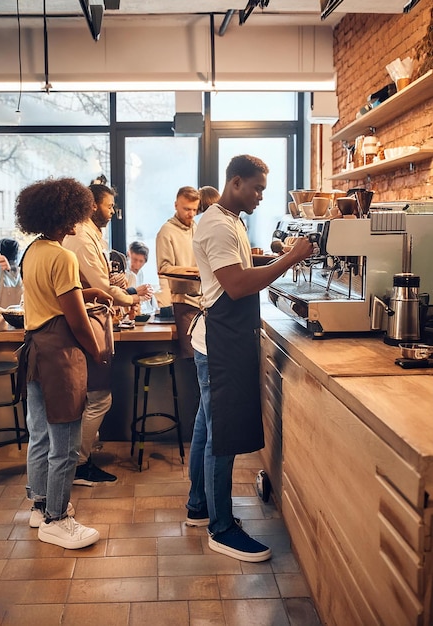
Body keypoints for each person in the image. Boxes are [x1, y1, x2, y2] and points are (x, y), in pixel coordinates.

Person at [185, 155, 313, 562]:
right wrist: (289, 258)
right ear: (235, 182)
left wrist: (271, 258)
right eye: (256, 188)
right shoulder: (218, 224)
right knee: (221, 438)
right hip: (220, 343)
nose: (260, 196)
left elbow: (238, 268)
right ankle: (221, 529)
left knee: (207, 429)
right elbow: (237, 285)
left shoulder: (231, 219)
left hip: (222, 339)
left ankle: (199, 508)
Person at [16, 177, 112, 549]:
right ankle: (57, 518)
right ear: (62, 214)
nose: (79, 220)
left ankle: (39, 507)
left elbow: (49, 296)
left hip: (35, 352)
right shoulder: (63, 256)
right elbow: (74, 318)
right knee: (67, 443)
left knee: (39, 436)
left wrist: (87, 290)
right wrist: (96, 349)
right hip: (59, 357)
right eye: (75, 213)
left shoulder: (33, 251)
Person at [63, 182, 151, 486]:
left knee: (94, 397)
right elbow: (100, 287)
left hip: (96, 319)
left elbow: (101, 278)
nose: (113, 212)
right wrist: (131, 296)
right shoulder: (82, 238)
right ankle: (78, 464)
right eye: (109, 206)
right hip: (88, 322)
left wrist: (117, 283)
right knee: (98, 398)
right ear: (92, 205)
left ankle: (78, 459)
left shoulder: (91, 235)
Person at [155, 186, 201, 359]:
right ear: (176, 205)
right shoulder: (166, 232)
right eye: (187, 209)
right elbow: (164, 269)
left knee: (204, 360)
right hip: (183, 301)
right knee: (192, 358)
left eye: (194, 210)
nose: (191, 214)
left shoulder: (197, 228)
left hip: (203, 301)